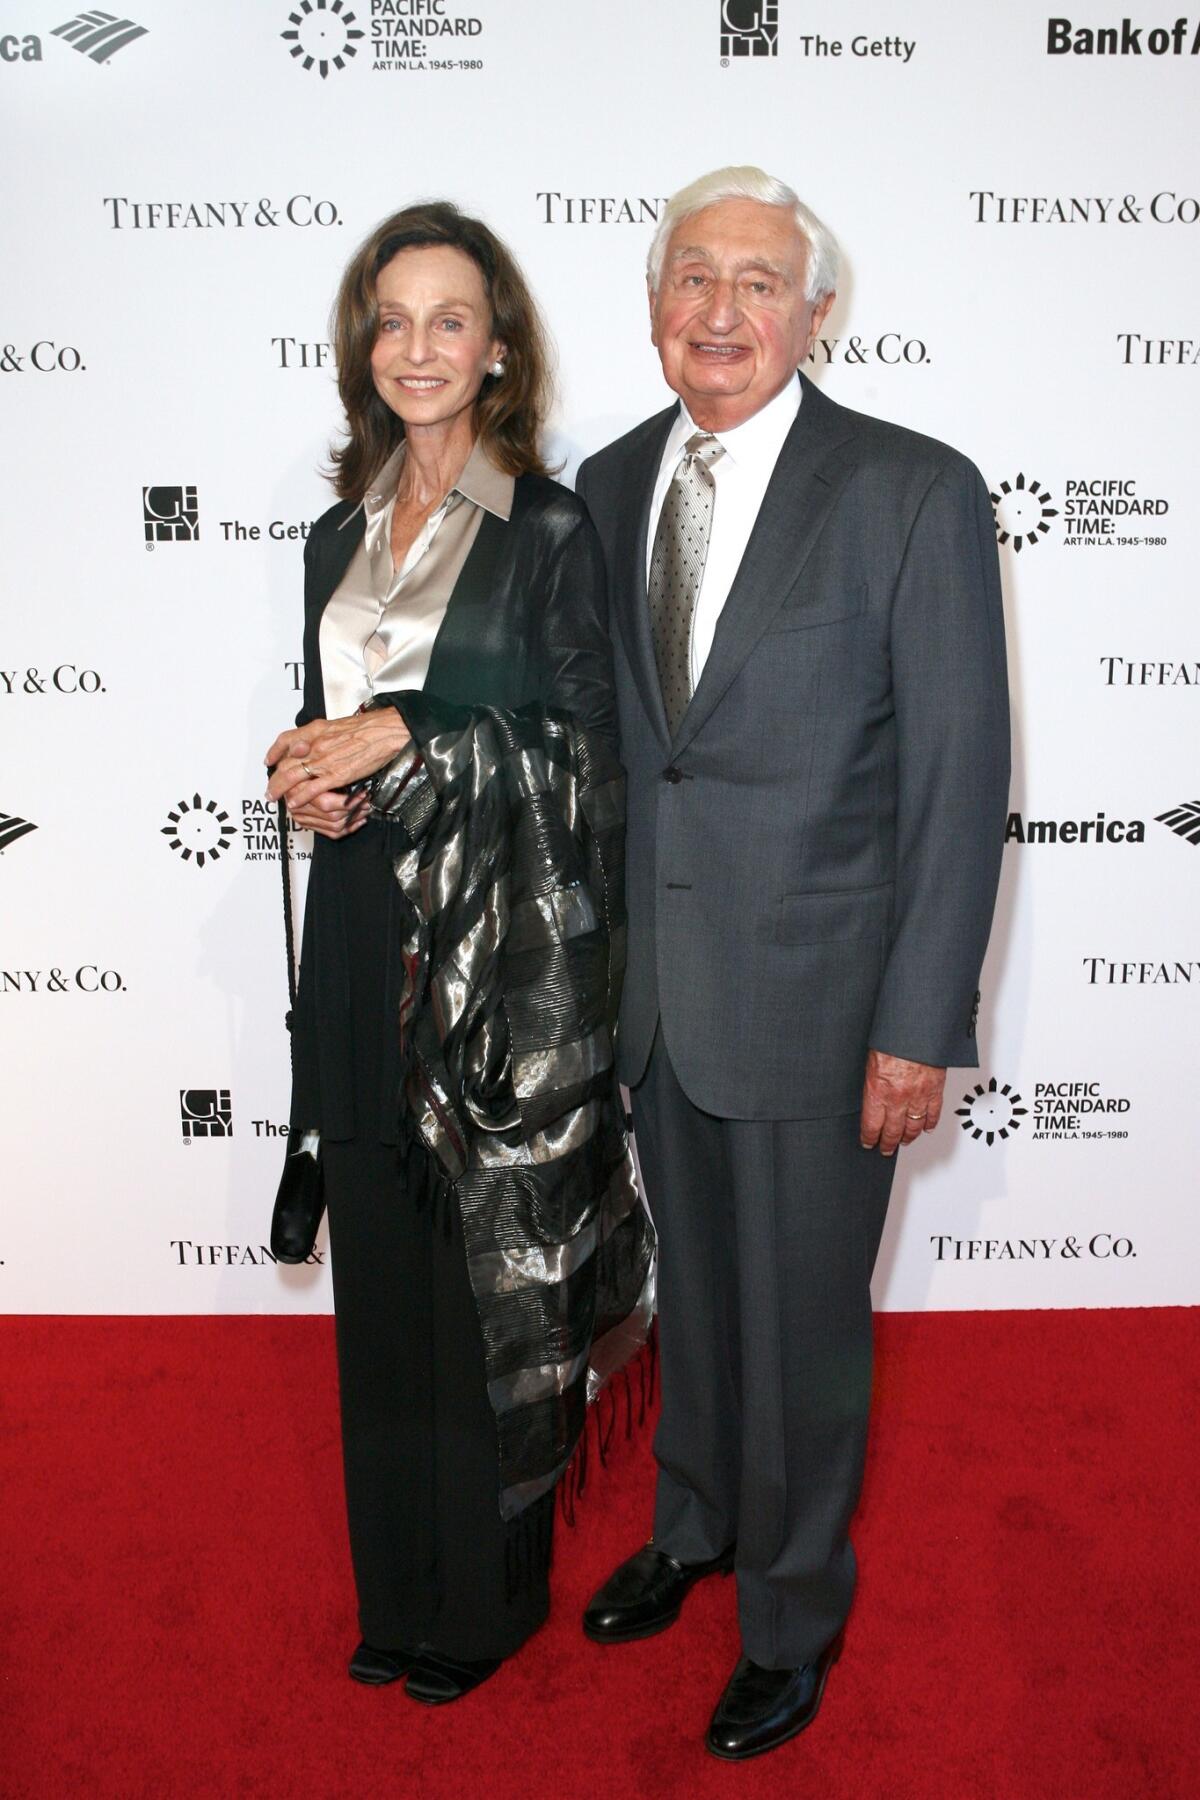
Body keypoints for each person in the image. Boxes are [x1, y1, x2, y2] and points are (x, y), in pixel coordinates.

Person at [576, 167, 1010, 1761]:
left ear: (817, 312)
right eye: (693, 277)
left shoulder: (912, 488)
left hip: (829, 1011)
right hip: (658, 1000)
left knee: (808, 1323)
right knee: (697, 1295)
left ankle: (792, 1613)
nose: (721, 312)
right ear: (653, 308)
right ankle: (695, 1523)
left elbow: (961, 775)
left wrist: (917, 1024)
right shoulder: (609, 485)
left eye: (759, 282)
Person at [264, 202, 650, 1706]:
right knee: (380, 1290)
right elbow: (342, 734)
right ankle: (398, 1592)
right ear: (364, 345)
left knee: (473, 1280)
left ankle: (482, 1612)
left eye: (449, 319)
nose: (417, 348)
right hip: (363, 931)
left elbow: (589, 758)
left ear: (499, 347)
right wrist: (315, 773)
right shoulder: (330, 537)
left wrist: (418, 737)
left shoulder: (544, 528)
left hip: (493, 971)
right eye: (392, 318)